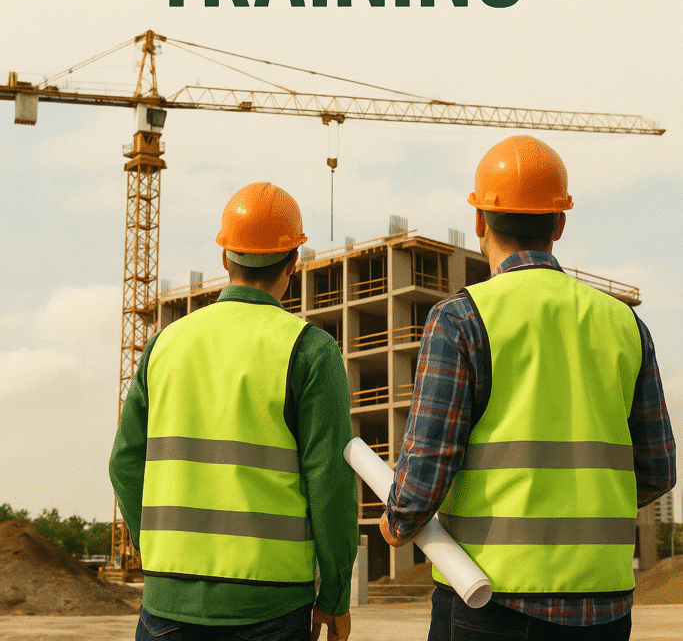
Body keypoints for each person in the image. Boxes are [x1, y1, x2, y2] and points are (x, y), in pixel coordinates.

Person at [379, 136, 676, 640]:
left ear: (479, 223)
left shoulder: (460, 320)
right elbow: (657, 470)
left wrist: (397, 522)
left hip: (490, 603)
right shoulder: (625, 324)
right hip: (602, 610)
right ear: (560, 223)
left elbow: (428, 463)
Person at [110, 181, 357, 641]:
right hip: (271, 606)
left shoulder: (164, 345)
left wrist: (159, 554)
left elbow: (124, 463)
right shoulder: (309, 351)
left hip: (167, 606)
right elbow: (332, 486)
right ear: (293, 262)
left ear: (225, 258)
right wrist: (336, 594)